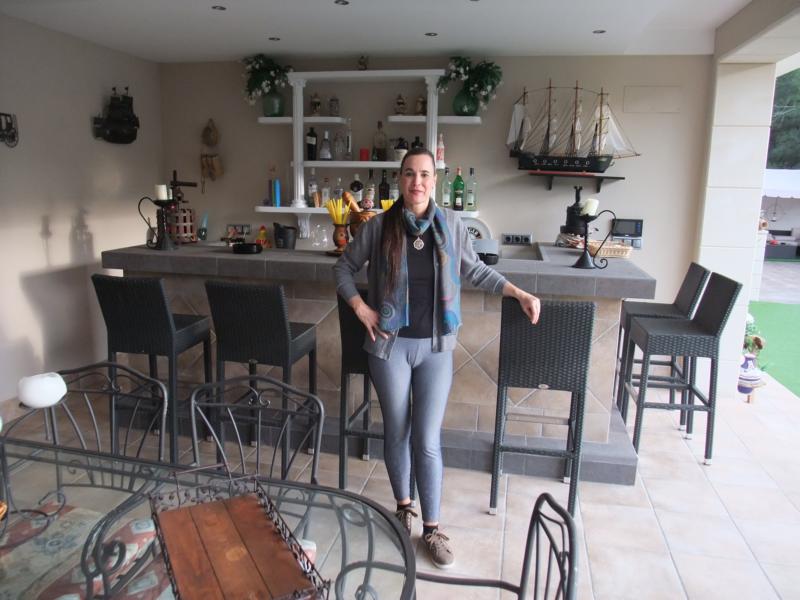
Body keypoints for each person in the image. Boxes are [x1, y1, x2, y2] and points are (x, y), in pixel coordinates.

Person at [334, 147, 540, 569]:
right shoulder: (378, 227)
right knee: (397, 431)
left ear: (435, 180)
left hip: (435, 348)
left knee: (426, 438)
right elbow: (342, 268)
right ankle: (403, 507)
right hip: (390, 347)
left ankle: (432, 528)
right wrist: (361, 308)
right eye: (410, 174)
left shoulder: (452, 225)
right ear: (400, 179)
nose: (417, 182)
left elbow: (475, 270)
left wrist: (517, 292)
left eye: (425, 174)